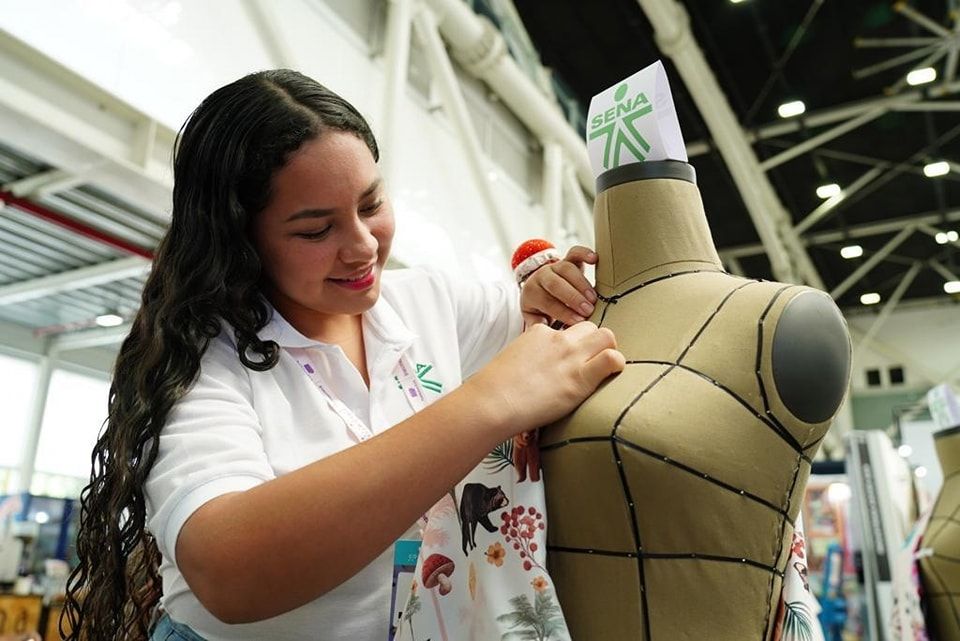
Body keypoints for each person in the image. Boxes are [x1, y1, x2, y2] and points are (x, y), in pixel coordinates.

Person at [61, 69, 624, 641]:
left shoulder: (432, 304)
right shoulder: (206, 363)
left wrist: (555, 290)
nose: (362, 246)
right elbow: (229, 570)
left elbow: (560, 323)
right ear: (240, 239)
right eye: (314, 230)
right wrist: (490, 402)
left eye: (370, 204)